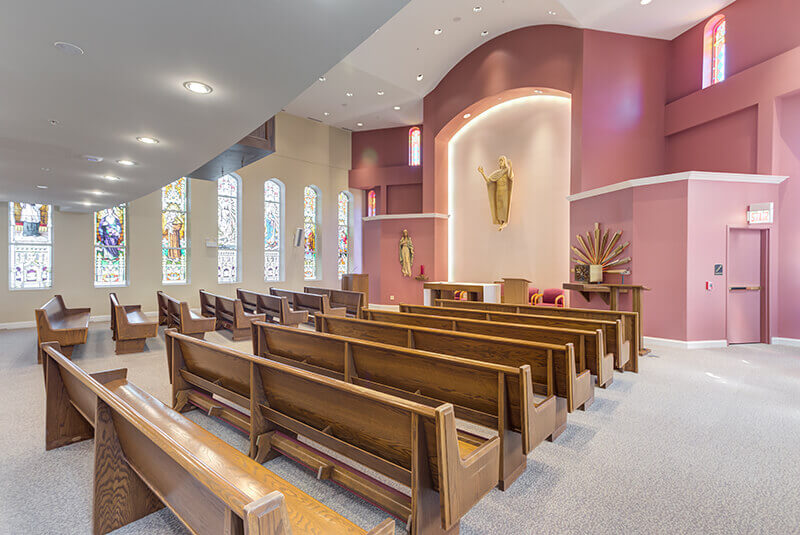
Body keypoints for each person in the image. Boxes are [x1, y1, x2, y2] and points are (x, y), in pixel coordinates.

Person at [478, 155, 514, 230]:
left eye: (502, 161)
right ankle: (501, 224)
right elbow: (488, 181)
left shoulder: (507, 171)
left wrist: (510, 167)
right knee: (499, 211)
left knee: (504, 210)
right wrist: (482, 173)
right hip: (498, 194)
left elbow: (511, 177)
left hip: (505, 193)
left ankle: (504, 223)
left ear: (505, 162)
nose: (500, 162)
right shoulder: (497, 173)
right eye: (499, 161)